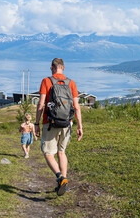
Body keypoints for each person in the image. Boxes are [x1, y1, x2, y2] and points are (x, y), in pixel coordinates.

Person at [35, 58, 83, 196]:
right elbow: (77, 107)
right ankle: (64, 182)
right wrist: (80, 126)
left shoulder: (46, 81)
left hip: (50, 122)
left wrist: (36, 123)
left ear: (52, 67)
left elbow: (41, 104)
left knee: (48, 153)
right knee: (61, 152)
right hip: (67, 122)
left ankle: (60, 178)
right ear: (63, 67)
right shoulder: (71, 83)